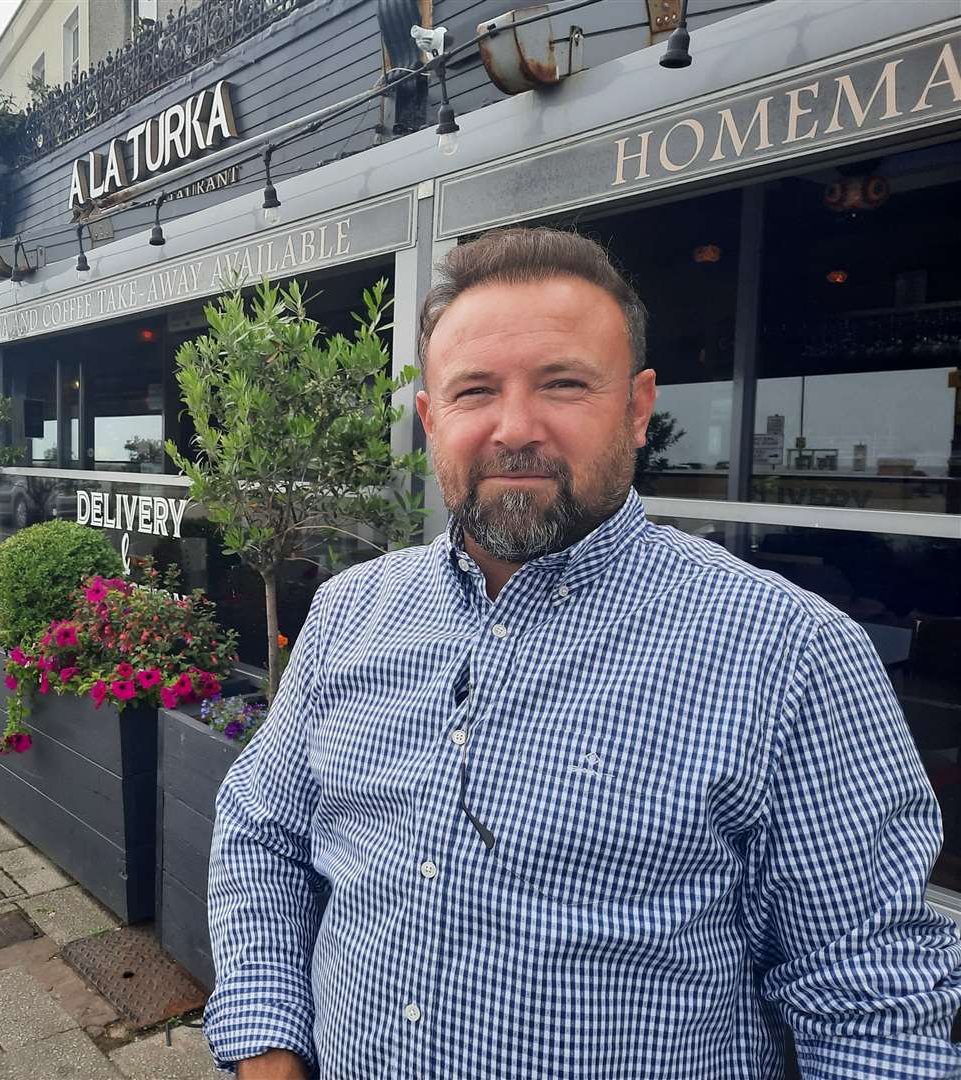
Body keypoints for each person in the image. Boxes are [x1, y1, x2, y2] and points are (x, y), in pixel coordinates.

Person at [204, 227, 961, 1079]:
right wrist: (268, 1051)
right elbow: (261, 830)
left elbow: (870, 1008)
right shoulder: (349, 613)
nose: (514, 428)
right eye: (474, 391)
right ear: (429, 417)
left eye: (563, 384)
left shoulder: (789, 654)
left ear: (639, 409)